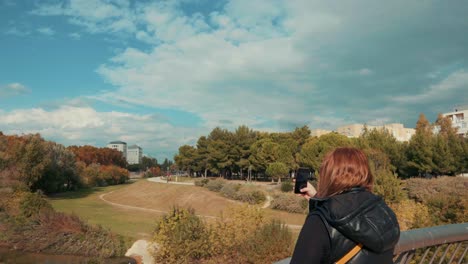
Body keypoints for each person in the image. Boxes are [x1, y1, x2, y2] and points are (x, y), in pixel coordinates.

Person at [291, 147, 400, 264]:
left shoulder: (319, 221)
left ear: (329, 175)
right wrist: (318, 198)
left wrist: (319, 210)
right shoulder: (382, 210)